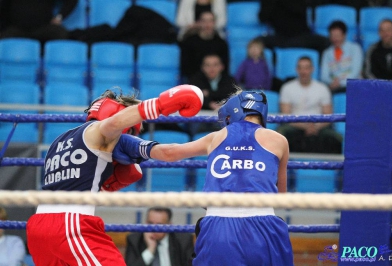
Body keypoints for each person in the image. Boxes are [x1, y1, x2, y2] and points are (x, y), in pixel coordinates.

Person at [26, 85, 203, 265]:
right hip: (70, 225)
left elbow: (80, 182)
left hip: (38, 226)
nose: (132, 135)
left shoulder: (59, 141)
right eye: (132, 130)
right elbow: (167, 152)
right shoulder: (104, 132)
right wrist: (159, 105)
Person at [114, 89, 294, 265]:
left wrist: (124, 142)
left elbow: (169, 153)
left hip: (219, 226)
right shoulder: (279, 140)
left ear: (233, 111)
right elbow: (281, 199)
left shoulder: (217, 137)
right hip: (264, 226)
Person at [278, 56, 343, 154]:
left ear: (312, 69)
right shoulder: (287, 88)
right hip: (295, 125)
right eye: (301, 68)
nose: (303, 71)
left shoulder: (322, 88)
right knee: (279, 135)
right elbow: (285, 115)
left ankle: (334, 168)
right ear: (297, 69)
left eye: (307, 68)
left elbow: (328, 115)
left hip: (319, 126)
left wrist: (315, 127)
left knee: (336, 138)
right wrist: (305, 126)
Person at [125, 207, 194, 266]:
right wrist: (150, 250)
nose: (154, 228)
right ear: (146, 223)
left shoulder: (183, 240)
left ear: (169, 225)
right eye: (150, 223)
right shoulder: (134, 240)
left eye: (159, 225)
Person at [257, 0, 330, 55]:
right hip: (280, 38)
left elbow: (302, 9)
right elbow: (262, 18)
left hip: (301, 36)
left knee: (327, 43)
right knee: (256, 44)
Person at [180, 11, 229, 81]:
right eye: (204, 21)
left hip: (216, 82)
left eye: (210, 21)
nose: (207, 24)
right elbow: (185, 67)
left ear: (214, 23)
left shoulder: (221, 43)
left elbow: (224, 67)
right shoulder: (189, 42)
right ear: (199, 23)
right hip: (194, 80)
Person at [0, 0, 77, 45]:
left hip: (43, 28)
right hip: (17, 29)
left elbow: (71, 1)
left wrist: (59, 17)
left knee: (61, 34)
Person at [320, 20, 363, 94]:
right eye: (332, 36)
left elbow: (355, 72)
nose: (335, 39)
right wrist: (332, 83)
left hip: (353, 87)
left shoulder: (355, 48)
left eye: (338, 36)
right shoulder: (327, 53)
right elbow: (324, 75)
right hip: (333, 88)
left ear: (344, 35)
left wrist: (341, 83)